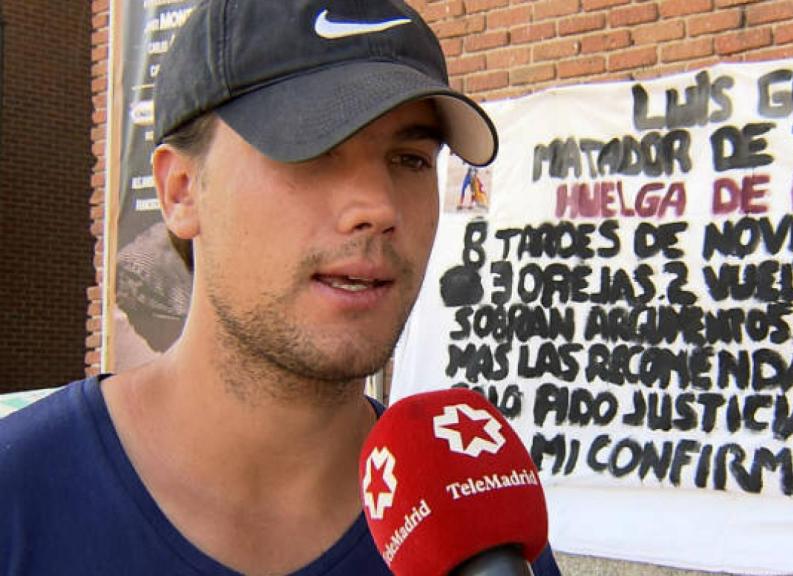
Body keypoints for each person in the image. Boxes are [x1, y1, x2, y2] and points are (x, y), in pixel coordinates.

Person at [0, 1, 562, 574]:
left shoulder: (478, 538)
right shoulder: (18, 500)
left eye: (411, 159)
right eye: (314, 150)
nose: (378, 207)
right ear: (180, 191)